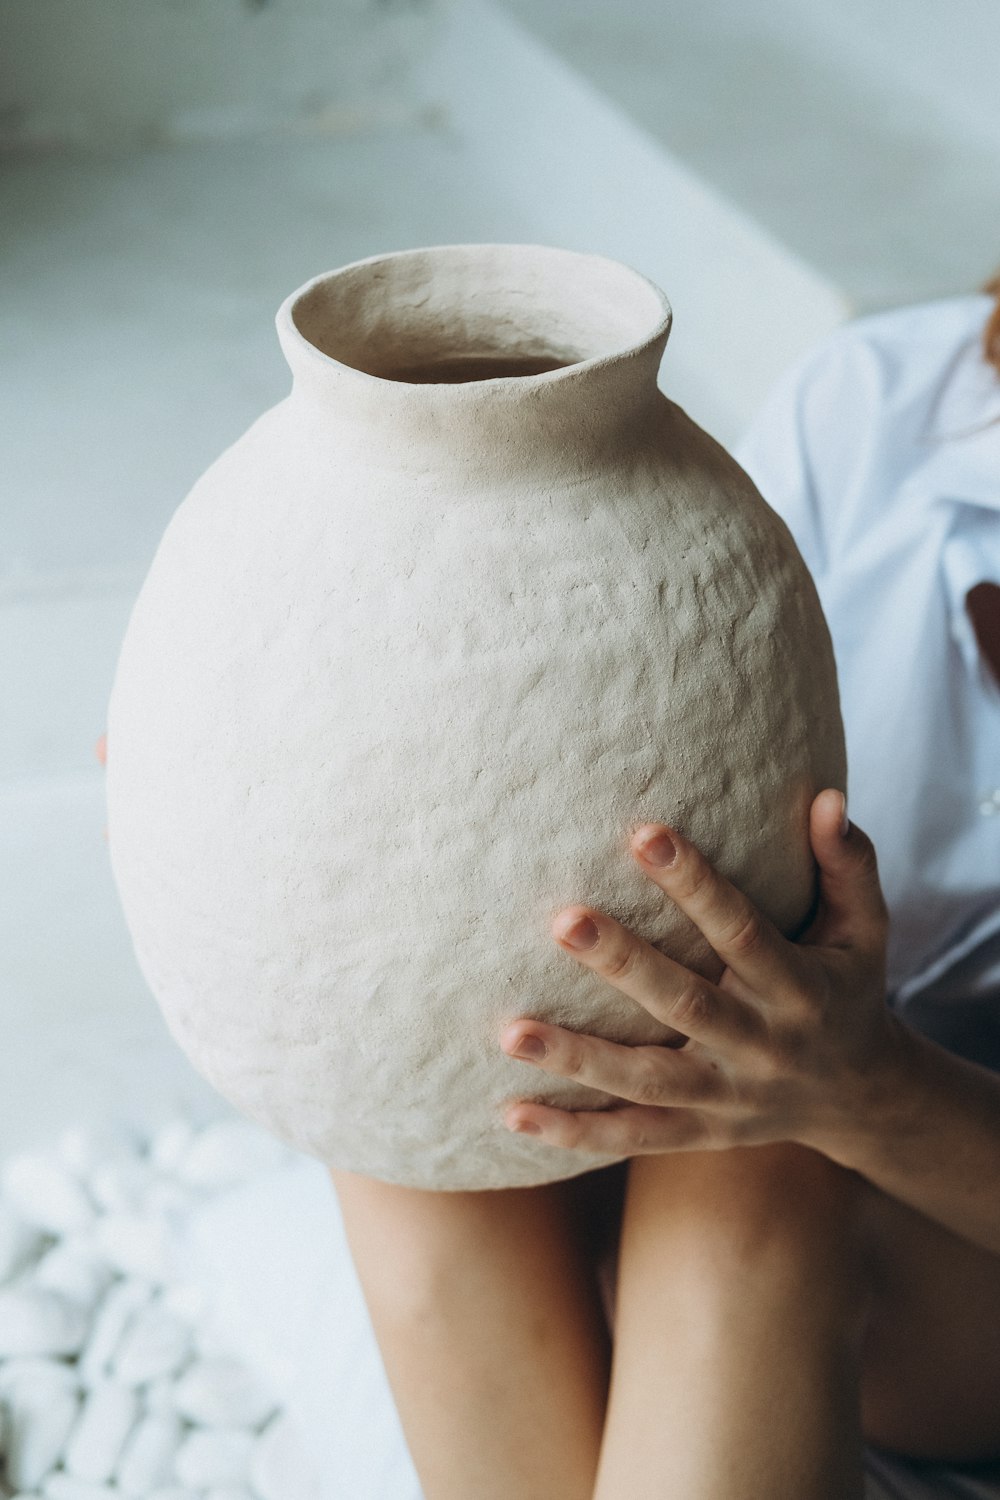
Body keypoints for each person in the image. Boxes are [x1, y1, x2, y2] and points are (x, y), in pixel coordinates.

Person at [96, 284, 999, 1499]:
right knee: (413, 1039)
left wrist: (865, 1087)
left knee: (760, 1138)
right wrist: (234, 764)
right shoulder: (887, 399)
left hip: (954, 1213)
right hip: (757, 1076)